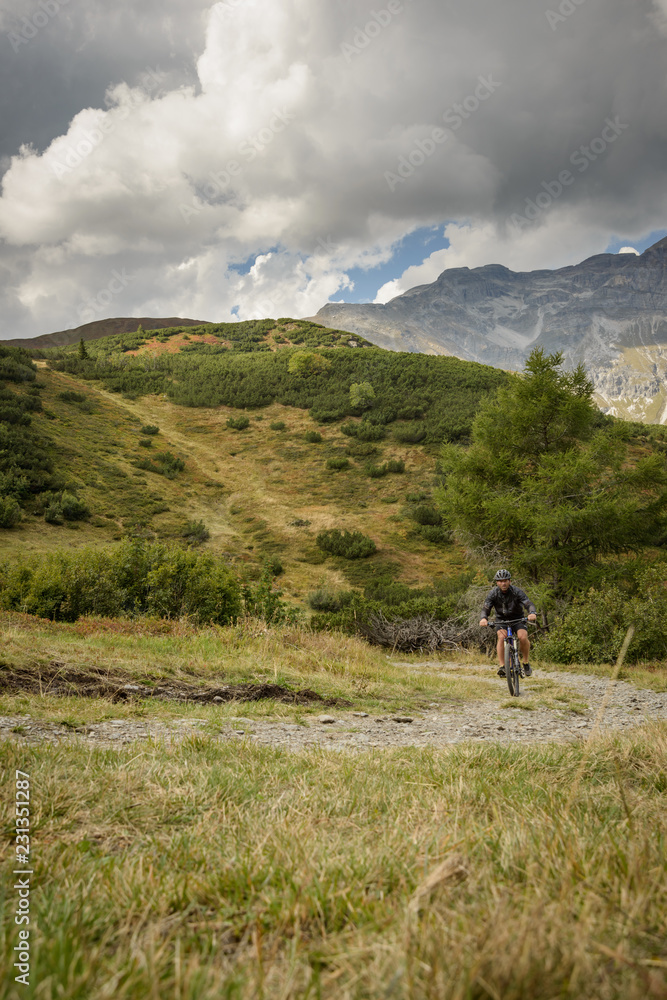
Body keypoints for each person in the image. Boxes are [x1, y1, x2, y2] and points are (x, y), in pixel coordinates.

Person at [479, 569, 537, 677]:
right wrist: (483, 618)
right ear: (497, 582)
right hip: (501, 619)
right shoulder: (493, 593)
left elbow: (528, 603)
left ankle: (525, 662)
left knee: (522, 637)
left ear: (510, 581)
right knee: (501, 637)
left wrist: (532, 612)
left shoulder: (516, 591)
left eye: (505, 580)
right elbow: (486, 607)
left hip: (518, 618)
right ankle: (502, 667)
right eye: (500, 581)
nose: (503, 583)